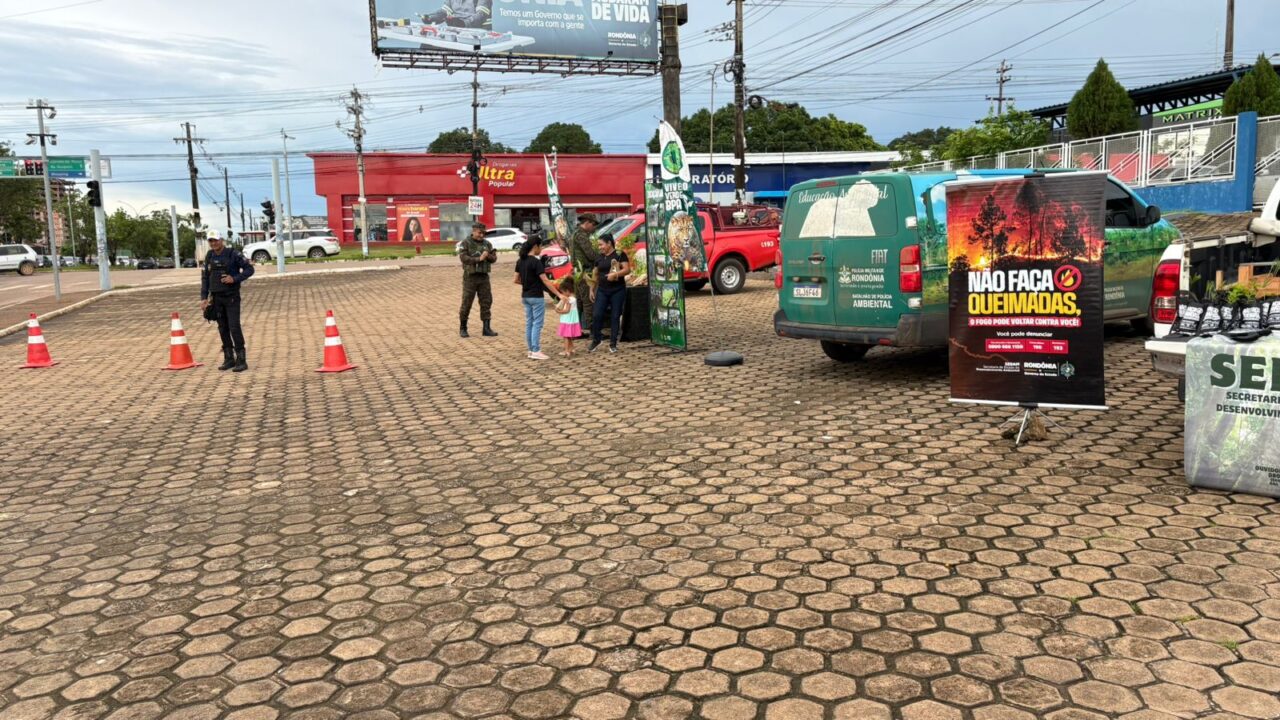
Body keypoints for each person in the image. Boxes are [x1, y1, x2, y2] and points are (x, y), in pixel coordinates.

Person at [200, 234, 255, 372]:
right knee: (222, 328)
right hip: (216, 298)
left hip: (231, 297)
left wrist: (234, 278)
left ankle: (241, 360)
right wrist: (204, 297)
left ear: (221, 240)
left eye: (216, 240)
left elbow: (249, 269)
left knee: (234, 326)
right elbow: (205, 277)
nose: (213, 243)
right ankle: (229, 358)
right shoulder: (209, 256)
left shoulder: (233, 254)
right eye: (211, 241)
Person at [514, 235, 564, 360]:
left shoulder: (520, 261)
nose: (541, 248)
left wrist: (527, 284)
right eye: (540, 246)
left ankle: (531, 350)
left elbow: (516, 279)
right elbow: (545, 281)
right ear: (535, 246)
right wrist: (559, 294)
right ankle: (536, 350)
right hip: (536, 297)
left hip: (525, 296)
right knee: (537, 324)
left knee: (529, 323)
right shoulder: (536, 262)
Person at [589, 233, 630, 354]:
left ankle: (613, 343)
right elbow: (595, 274)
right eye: (598, 245)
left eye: (601, 244)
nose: (600, 247)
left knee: (615, 316)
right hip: (602, 290)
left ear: (609, 243)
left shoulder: (619, 254)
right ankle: (597, 339)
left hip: (617, 290)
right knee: (597, 315)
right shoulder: (599, 257)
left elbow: (627, 269)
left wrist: (616, 275)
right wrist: (591, 289)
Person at [458, 221, 498, 338]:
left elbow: (494, 258)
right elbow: (463, 258)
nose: (482, 235)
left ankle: (486, 328)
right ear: (474, 231)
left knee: (486, 302)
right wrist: (479, 259)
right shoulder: (465, 243)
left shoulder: (488, 244)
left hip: (483, 277)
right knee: (467, 302)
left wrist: (488, 256)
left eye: (483, 233)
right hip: (470, 277)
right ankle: (463, 328)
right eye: (480, 233)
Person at [569, 213, 601, 334]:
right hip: (584, 272)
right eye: (593, 225)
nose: (593, 228)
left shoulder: (574, 233)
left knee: (579, 302)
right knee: (588, 301)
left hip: (578, 272)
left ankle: (575, 331)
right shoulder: (581, 236)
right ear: (587, 222)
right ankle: (594, 330)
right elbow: (590, 254)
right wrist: (602, 257)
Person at [555, 276, 581, 357]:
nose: (562, 294)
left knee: (566, 336)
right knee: (568, 336)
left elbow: (567, 310)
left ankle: (566, 351)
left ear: (567, 291)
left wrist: (558, 311)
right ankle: (572, 349)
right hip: (571, 320)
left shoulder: (569, 299)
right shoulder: (574, 298)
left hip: (567, 320)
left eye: (562, 292)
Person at [423, 0, 491, 29]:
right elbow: (444, 12)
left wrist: (463, 23)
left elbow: (481, 15)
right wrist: (431, 18)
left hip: (479, 34)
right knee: (427, 45)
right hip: (458, 32)